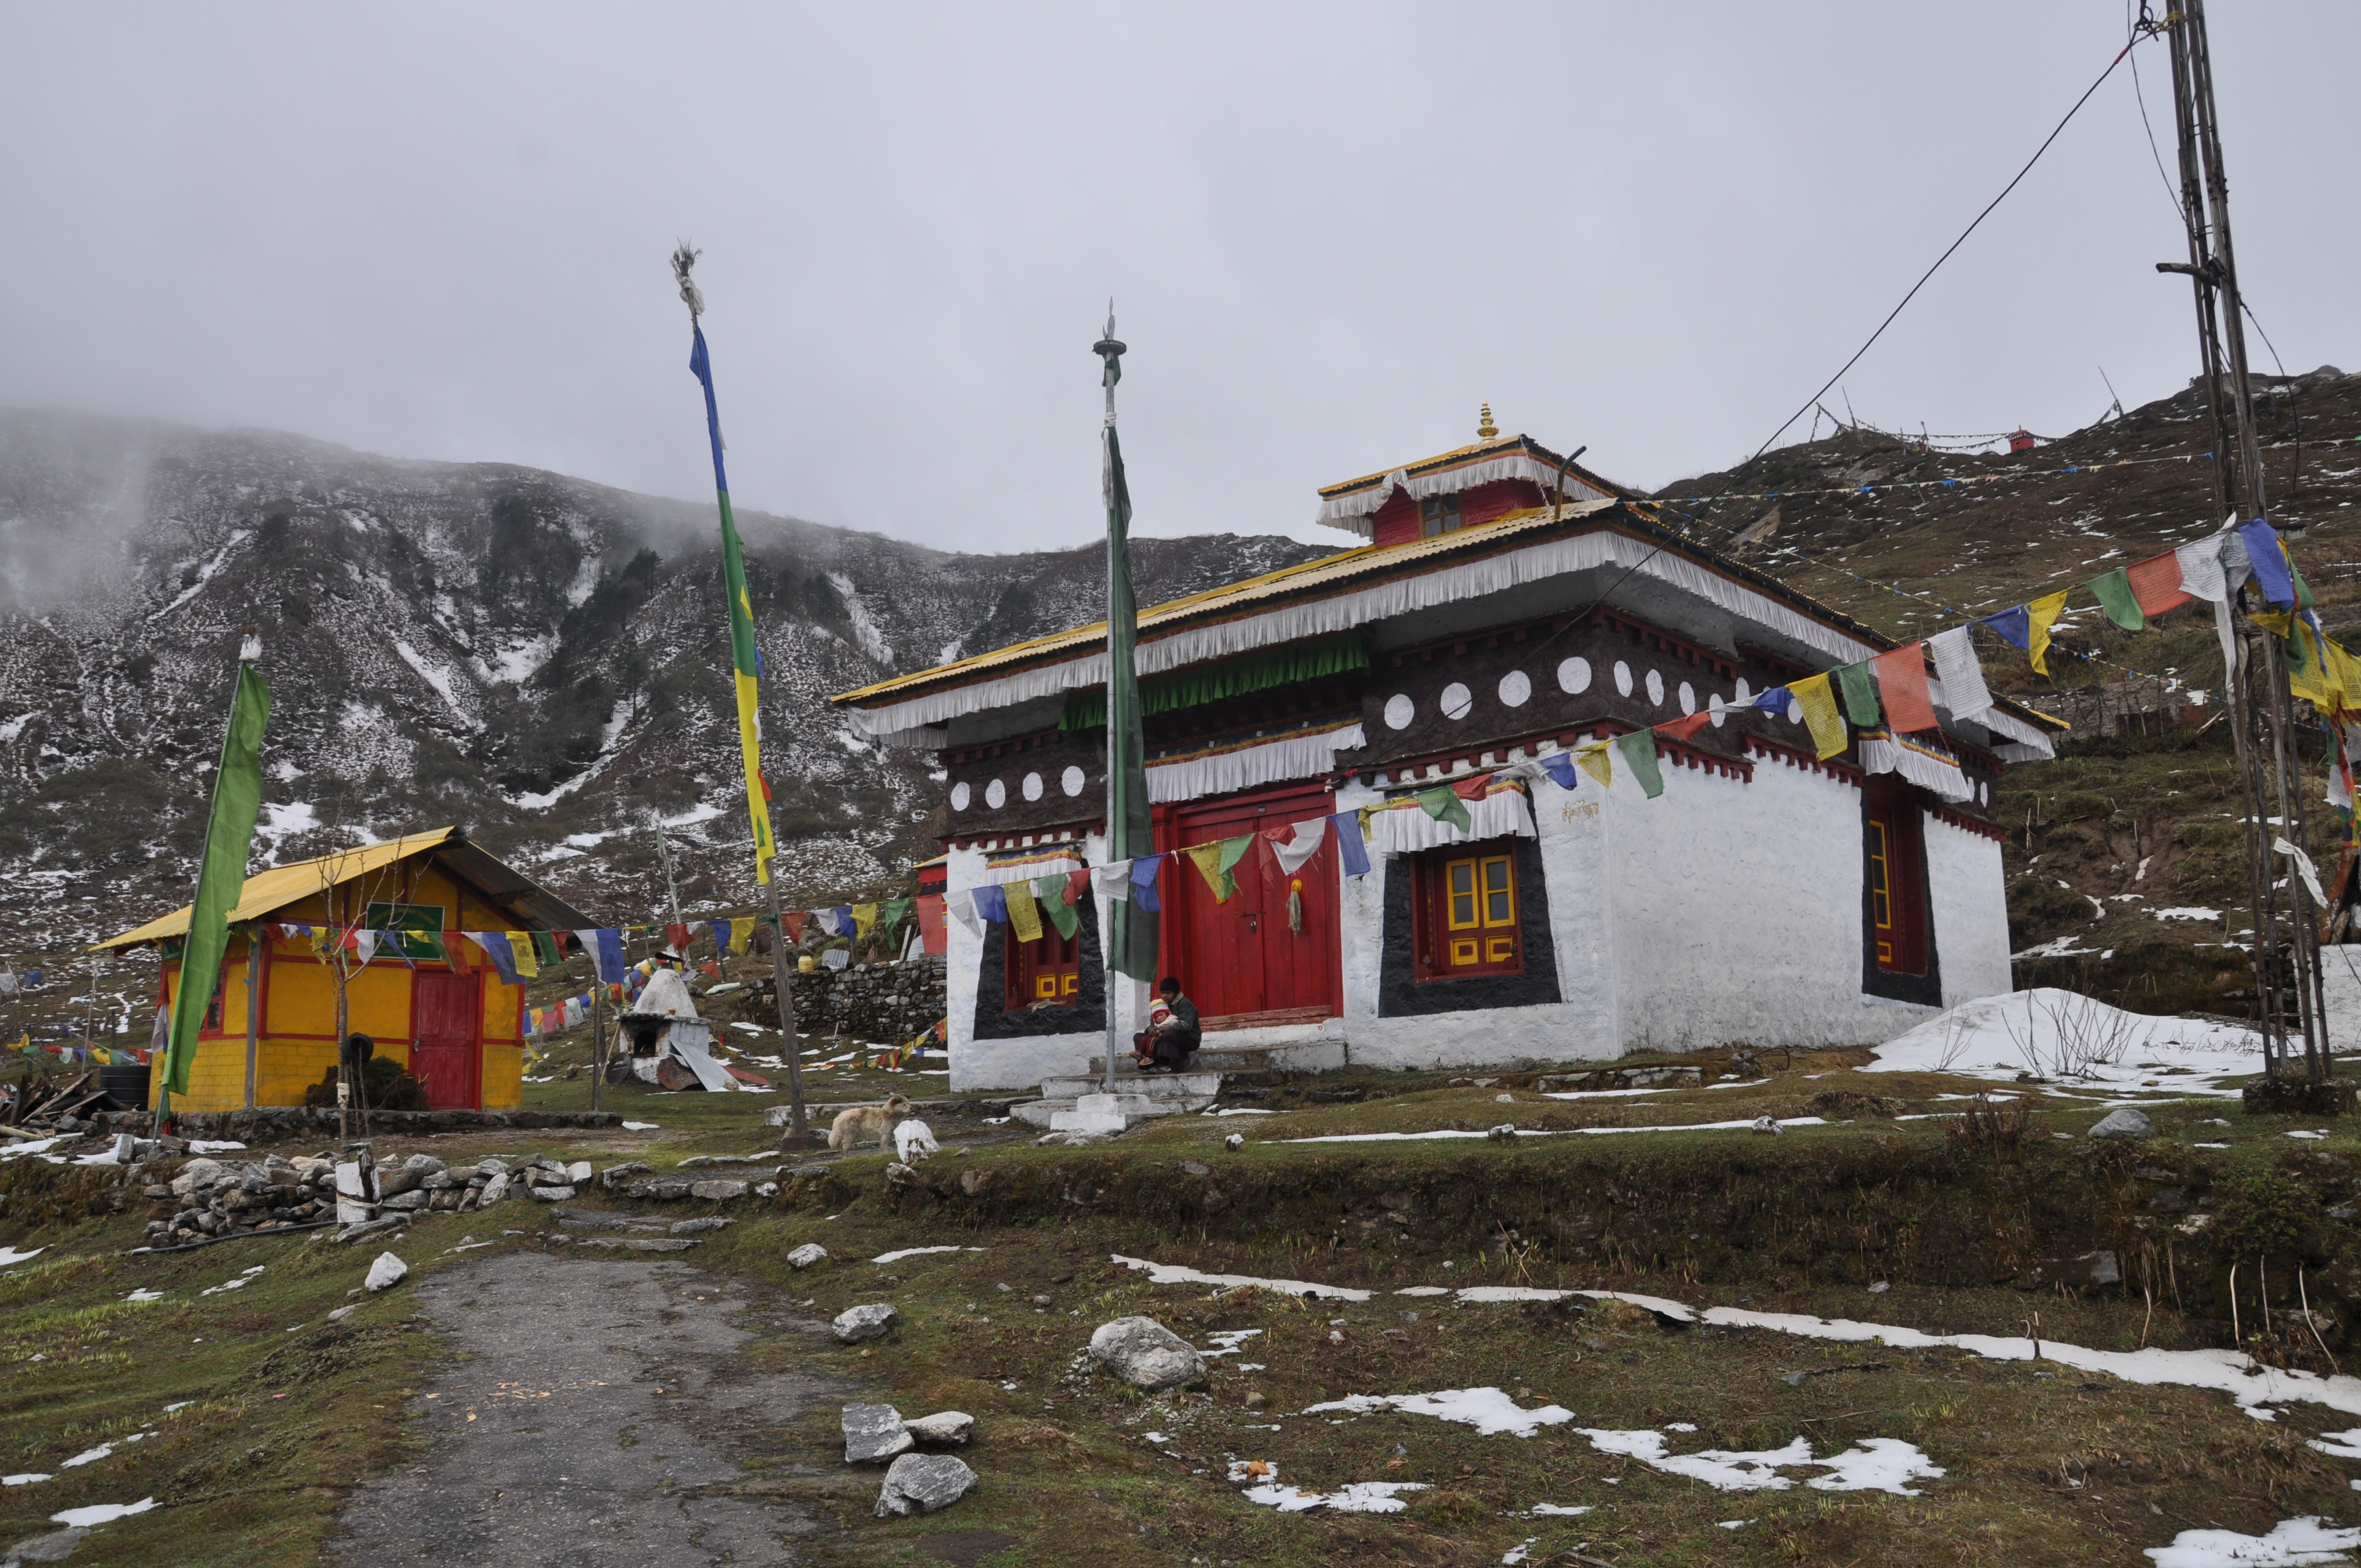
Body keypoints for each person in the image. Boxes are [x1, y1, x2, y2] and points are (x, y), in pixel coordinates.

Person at [1131, 977, 1201, 1072]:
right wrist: (1151, 1029)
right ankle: (1147, 1064)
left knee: (1170, 1034)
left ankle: (1172, 1065)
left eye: (1168, 993)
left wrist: (1167, 1029)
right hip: (1162, 1035)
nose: (1164, 996)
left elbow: (1185, 1026)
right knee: (1138, 1037)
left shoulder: (1186, 1005)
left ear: (1176, 993)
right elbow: (1154, 1021)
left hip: (1189, 1039)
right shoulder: (1161, 1004)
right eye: (1163, 993)